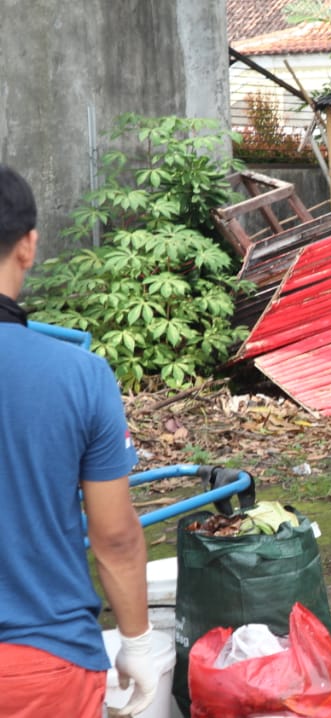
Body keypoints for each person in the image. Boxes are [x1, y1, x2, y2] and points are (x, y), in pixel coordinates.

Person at [0, 165, 157, 716]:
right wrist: (136, 642)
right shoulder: (79, 376)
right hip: (43, 664)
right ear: (29, 245)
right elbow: (113, 535)